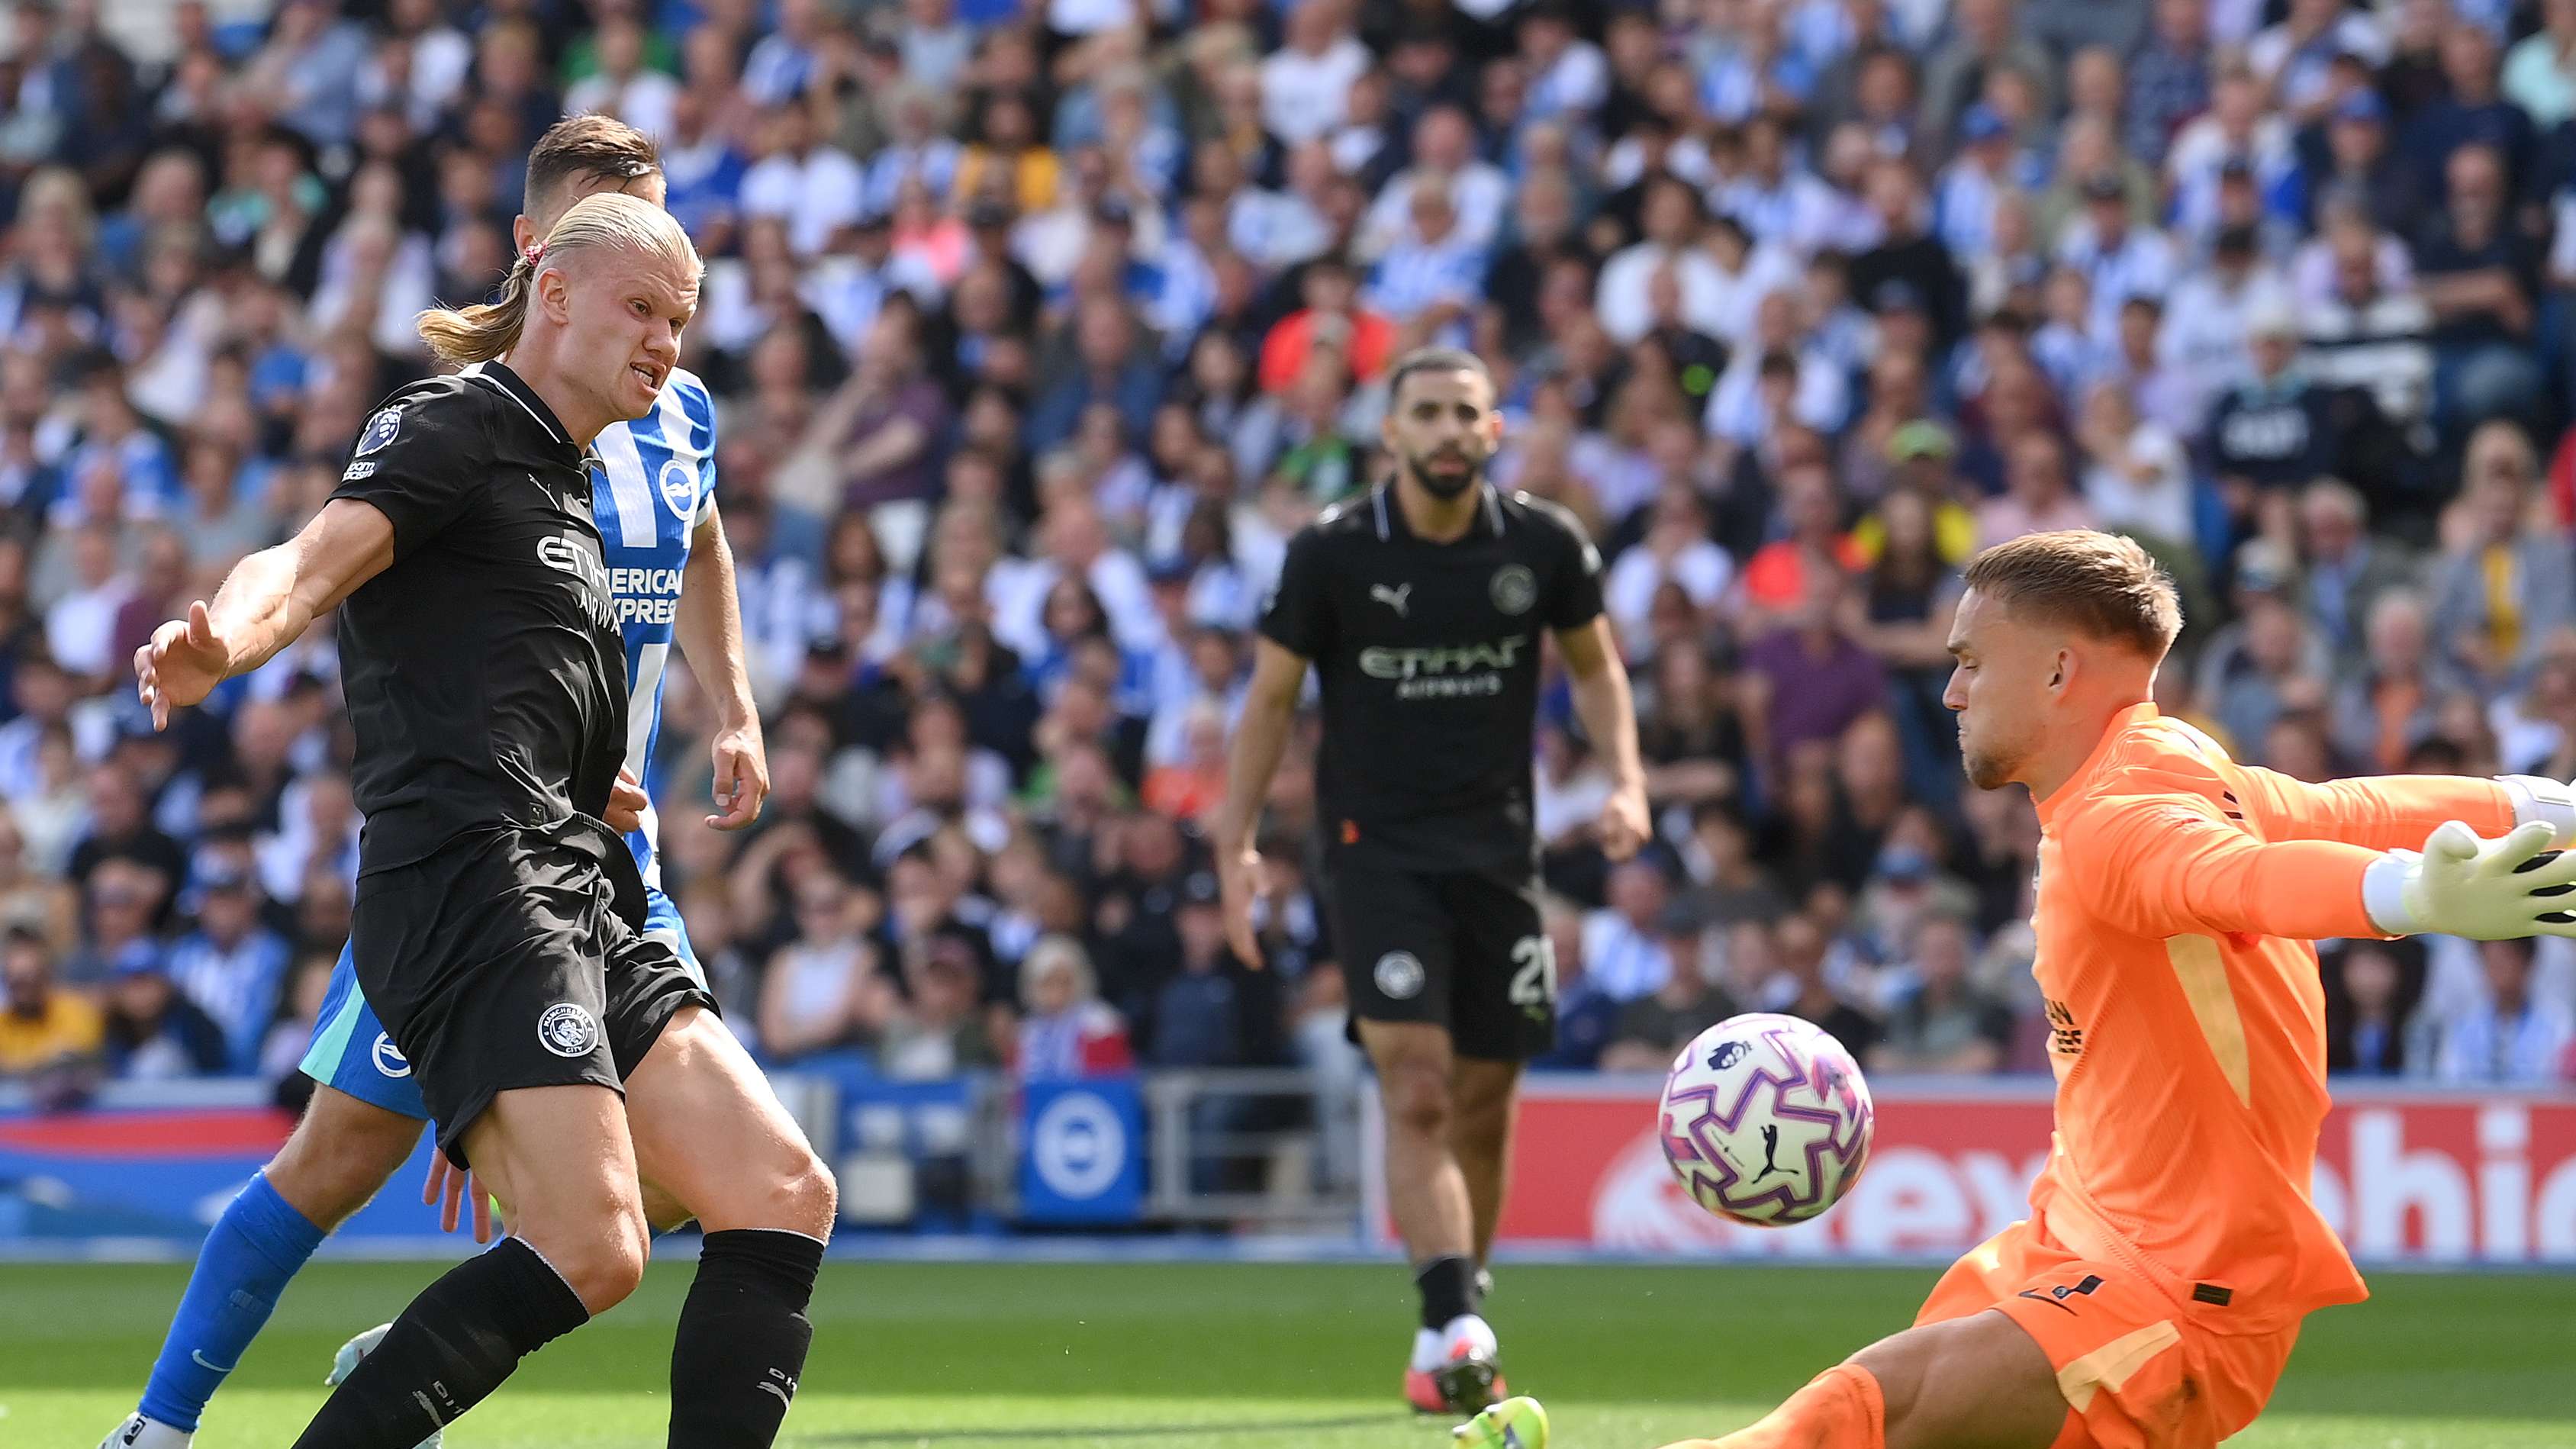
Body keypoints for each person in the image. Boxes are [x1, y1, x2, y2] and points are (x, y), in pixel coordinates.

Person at [1461, 529, 2576, 1449]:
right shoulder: (2168, 759)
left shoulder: (2114, 823)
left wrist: (2410, 900)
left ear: (2056, 672)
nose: (1947, 690)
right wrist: (2533, 804)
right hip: (2070, 1244)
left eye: (1969, 661)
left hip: (2171, 1296)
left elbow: (2238, 876)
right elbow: (2337, 807)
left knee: (1858, 1415)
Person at [101, 116, 778, 1449]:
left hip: (589, 854)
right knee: (355, 1161)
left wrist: (711, 720)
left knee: (752, 1187)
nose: (665, 337)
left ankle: (467, 1317)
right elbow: (306, 558)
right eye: (637, 296)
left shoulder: (628, 442)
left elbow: (667, 578)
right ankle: (165, 1424)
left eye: (680, 309)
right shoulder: (461, 428)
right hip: (479, 872)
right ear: (545, 268)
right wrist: (219, 643)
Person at [1214, 347, 1648, 1416]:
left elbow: (1596, 669)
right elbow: (1270, 703)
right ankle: (1457, 1311)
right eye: (1427, 413)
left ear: (1494, 431)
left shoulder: (1545, 544)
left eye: (1466, 412)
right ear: (1392, 434)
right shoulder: (1332, 553)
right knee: (1416, 1083)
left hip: (1502, 852)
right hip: (1375, 849)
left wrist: (1628, 781)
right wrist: (1235, 846)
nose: (1448, 429)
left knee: (1487, 1099)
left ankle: (1450, 1315)